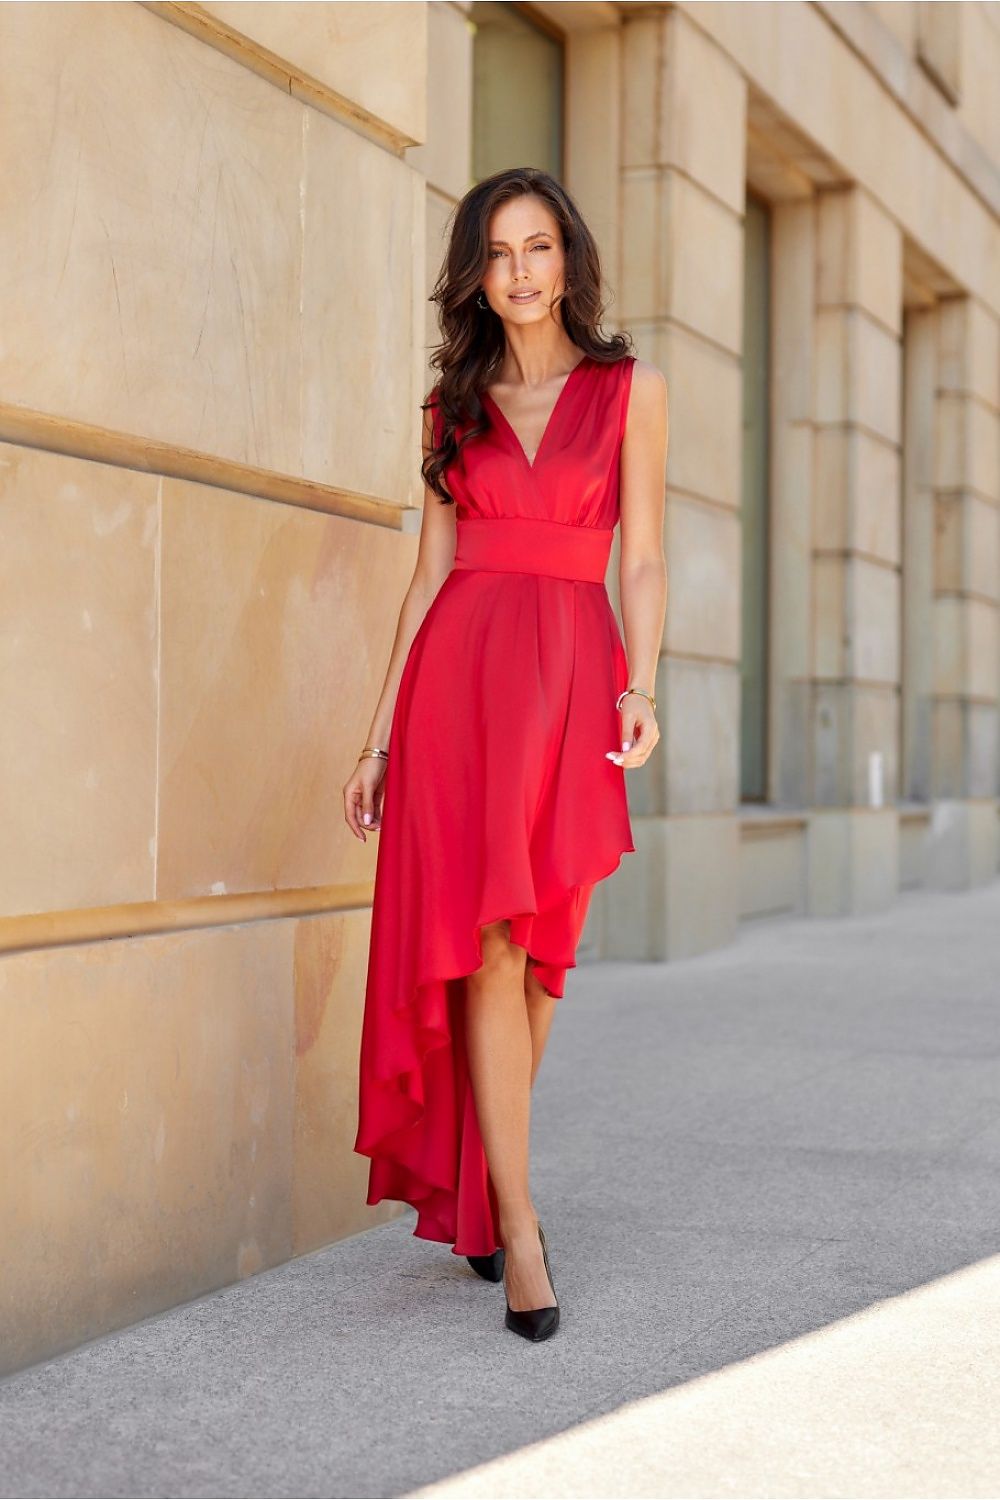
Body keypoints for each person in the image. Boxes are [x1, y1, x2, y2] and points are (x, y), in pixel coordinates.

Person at [344, 167, 668, 1343]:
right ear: (476, 273)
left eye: (538, 248)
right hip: (461, 692)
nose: (520, 273)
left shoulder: (631, 390)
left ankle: (484, 1194)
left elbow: (642, 559)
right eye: (497, 252)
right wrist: (377, 738)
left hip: (577, 681)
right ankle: (520, 1227)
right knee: (483, 948)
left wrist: (641, 683)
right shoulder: (452, 403)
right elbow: (427, 574)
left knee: (541, 955)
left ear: (569, 260)